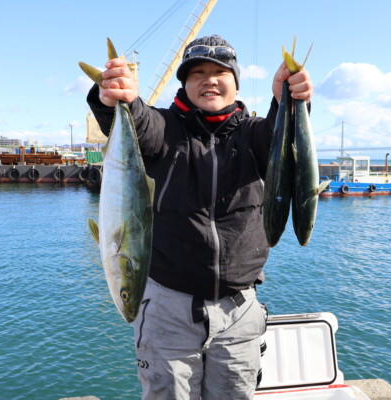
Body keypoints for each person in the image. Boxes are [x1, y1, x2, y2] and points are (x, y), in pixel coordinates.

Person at [87, 34, 313, 400]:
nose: (209, 79)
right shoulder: (165, 130)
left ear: (235, 82)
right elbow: (139, 123)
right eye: (197, 73)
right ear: (185, 84)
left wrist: (285, 100)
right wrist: (115, 100)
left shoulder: (253, 133)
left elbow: (281, 141)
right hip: (168, 310)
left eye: (220, 72)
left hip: (239, 311)